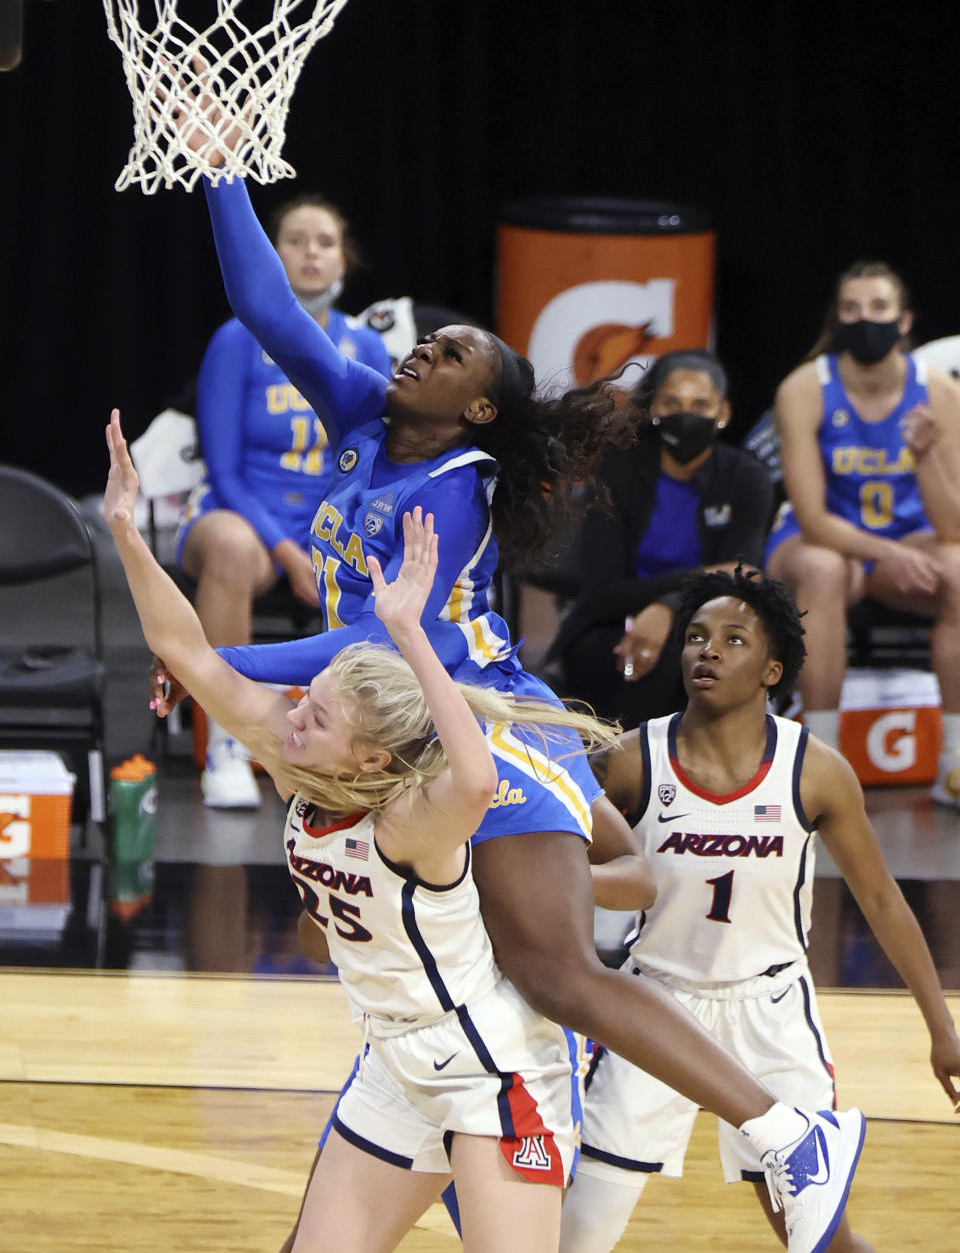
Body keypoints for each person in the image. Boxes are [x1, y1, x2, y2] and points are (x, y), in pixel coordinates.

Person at [155, 122, 869, 1252]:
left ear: (479, 409)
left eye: (449, 357)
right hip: (402, 713)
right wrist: (220, 168)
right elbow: (264, 307)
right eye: (427, 342)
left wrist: (218, 664)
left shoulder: (453, 484)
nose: (420, 353)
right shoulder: (361, 413)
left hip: (477, 717)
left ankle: (787, 1129)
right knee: (469, 962)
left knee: (552, 965)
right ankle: (459, 1129)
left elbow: (370, 648)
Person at [106, 412, 638, 1252]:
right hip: (395, 1062)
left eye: (315, 717)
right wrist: (128, 534)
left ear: (367, 756)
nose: (292, 718)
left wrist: (410, 636)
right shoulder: (297, 762)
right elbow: (193, 652)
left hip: (495, 1070)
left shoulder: (415, 820)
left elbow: (476, 776)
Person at [559, 567, 960, 1253]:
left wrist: (942, 1028)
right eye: (695, 637)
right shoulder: (630, 762)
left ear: (773, 669)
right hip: (655, 1005)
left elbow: (883, 901)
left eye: (733, 640)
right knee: (579, 1233)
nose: (706, 651)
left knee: (820, 1238)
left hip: (772, 1010)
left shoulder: (815, 769)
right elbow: (555, 868)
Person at [176, 191, 392, 808]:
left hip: (328, 517)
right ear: (272, 255)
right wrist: (287, 551)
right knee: (231, 548)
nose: (310, 253)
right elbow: (222, 468)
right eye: (295, 241)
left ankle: (353, 748)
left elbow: (372, 460)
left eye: (324, 242)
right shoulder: (235, 340)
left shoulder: (369, 348)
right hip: (244, 509)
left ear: (344, 260)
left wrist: (329, 541)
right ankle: (224, 743)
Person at [765, 262, 960, 809]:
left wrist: (924, 457)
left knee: (959, 569)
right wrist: (886, 552)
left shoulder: (939, 391)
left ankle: (955, 762)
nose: (863, 319)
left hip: (905, 543)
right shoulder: (805, 387)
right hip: (823, 545)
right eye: (850, 309)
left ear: (904, 321)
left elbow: (952, 528)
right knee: (825, 570)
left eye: (877, 308)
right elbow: (812, 517)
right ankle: (820, 762)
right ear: (836, 319)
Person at [549, 350, 774, 726]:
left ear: (724, 413)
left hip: (712, 626)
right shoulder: (616, 471)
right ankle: (627, 772)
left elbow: (740, 579)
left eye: (700, 404)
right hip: (610, 626)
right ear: (653, 408)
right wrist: (696, 582)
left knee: (691, 653)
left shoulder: (746, 477)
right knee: (648, 658)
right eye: (672, 402)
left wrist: (668, 607)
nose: (685, 414)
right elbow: (603, 591)